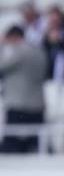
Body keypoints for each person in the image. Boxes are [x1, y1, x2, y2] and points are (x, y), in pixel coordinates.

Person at [0, 25, 47, 153]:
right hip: (38, 103)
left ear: (13, 37)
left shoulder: (18, 51)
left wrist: (2, 46)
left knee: (11, 143)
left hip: (18, 103)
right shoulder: (39, 51)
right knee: (35, 143)